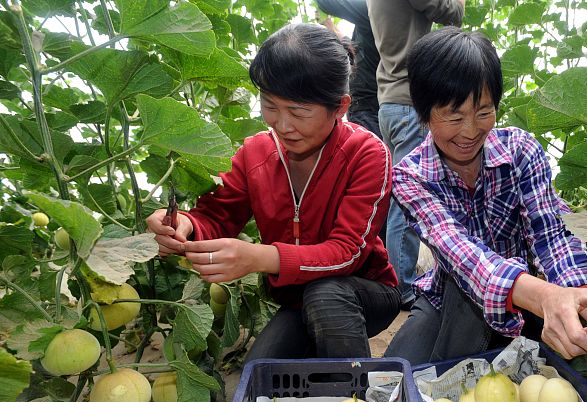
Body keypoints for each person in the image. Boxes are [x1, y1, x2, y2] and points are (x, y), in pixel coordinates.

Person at [384, 28, 587, 373]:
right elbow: (464, 256)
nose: (470, 131)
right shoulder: (411, 176)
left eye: (483, 112)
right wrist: (549, 298)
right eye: (454, 116)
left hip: (534, 304)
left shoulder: (521, 150)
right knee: (393, 376)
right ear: (424, 114)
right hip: (457, 298)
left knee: (584, 361)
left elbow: (552, 237)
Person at [146, 23, 400, 360]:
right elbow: (217, 215)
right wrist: (186, 227)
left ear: (340, 107)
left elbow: (348, 252)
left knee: (326, 297)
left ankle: (356, 393)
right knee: (262, 369)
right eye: (270, 105)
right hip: (297, 298)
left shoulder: (367, 154)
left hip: (365, 291)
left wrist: (259, 258)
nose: (282, 125)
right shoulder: (254, 153)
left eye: (298, 112)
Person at [367, 0, 465, 310]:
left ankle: (397, 282)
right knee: (408, 203)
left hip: (389, 104)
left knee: (398, 198)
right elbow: (452, 14)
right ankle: (402, 289)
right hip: (410, 105)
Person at [316, 0, 381, 138]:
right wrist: (331, 27)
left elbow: (326, 3)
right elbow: (357, 48)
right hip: (375, 103)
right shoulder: (392, 13)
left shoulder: (375, 7)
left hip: (368, 105)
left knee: (373, 156)